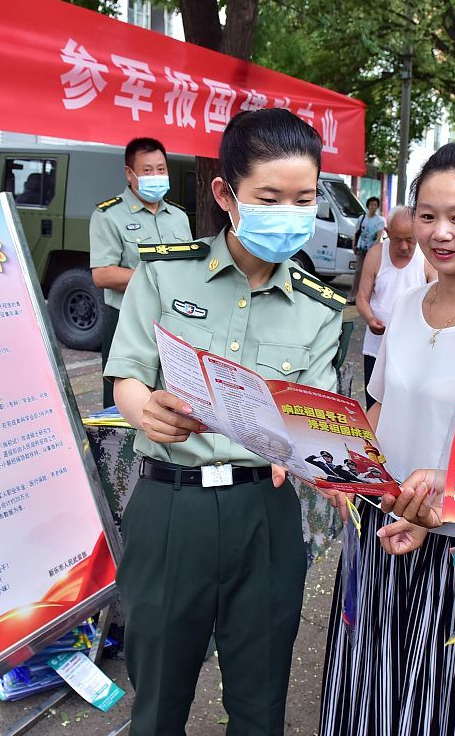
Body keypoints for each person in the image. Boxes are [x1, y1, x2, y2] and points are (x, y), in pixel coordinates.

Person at [105, 109, 346, 736]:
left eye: (303, 199)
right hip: (168, 506)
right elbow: (126, 372)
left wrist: (305, 450)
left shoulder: (319, 310)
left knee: (261, 704)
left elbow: (315, 412)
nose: (289, 214)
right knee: (157, 702)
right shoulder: (164, 270)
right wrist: (144, 409)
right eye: (269, 198)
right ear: (225, 193)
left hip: (262, 514)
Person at [319, 142, 455, 736]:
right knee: (366, 688)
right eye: (426, 215)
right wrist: (340, 465)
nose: (439, 233)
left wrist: (443, 506)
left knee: (442, 706)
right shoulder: (409, 305)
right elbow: (381, 404)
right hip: (375, 532)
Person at [91, 137, 193, 407]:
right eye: (147, 171)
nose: (156, 176)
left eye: (161, 169)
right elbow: (102, 275)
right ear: (130, 173)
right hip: (128, 319)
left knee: (172, 395)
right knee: (123, 400)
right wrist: (154, 278)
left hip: (174, 319)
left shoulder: (179, 216)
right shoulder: (109, 215)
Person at [355, 206, 435, 409]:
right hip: (376, 345)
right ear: (388, 233)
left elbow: (437, 297)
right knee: (374, 404)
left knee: (404, 407)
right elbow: (362, 297)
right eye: (398, 239)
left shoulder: (426, 257)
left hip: (413, 348)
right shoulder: (375, 254)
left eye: (410, 239)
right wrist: (370, 320)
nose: (404, 246)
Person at [351, 196, 387, 296]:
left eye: (375, 205)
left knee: (371, 273)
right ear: (368, 206)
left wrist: (374, 249)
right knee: (358, 271)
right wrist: (353, 245)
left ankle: (368, 296)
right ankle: (354, 295)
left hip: (371, 250)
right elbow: (356, 233)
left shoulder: (380, 220)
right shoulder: (362, 218)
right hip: (360, 248)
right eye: (371, 204)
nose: (373, 207)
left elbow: (379, 236)